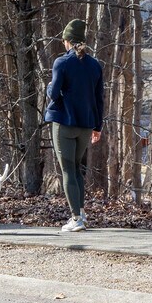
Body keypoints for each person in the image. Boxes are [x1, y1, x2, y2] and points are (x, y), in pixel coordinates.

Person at [45, 19, 104, 232]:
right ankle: (81, 212)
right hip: (86, 125)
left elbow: (53, 94)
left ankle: (76, 218)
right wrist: (98, 126)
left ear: (68, 41)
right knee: (77, 168)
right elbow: (99, 99)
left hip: (64, 122)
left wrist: (49, 87)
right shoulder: (95, 65)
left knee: (68, 169)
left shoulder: (62, 63)